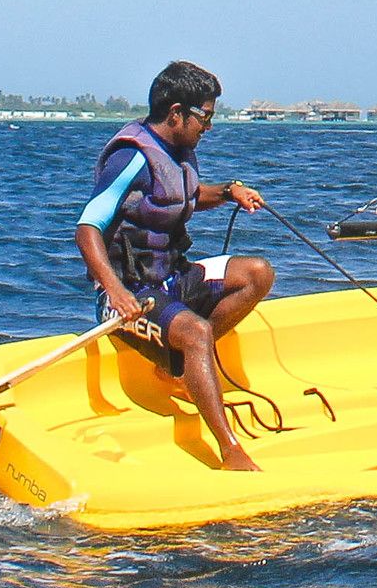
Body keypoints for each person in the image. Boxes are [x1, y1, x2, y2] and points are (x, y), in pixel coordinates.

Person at [78, 60, 275, 473]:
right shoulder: (130, 157)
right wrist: (115, 291)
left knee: (258, 273)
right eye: (205, 116)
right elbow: (87, 228)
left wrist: (228, 191)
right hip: (129, 295)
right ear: (176, 113)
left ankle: (179, 369)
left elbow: (181, 196)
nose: (209, 126)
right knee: (197, 332)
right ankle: (231, 451)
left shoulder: (179, 152)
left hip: (172, 278)